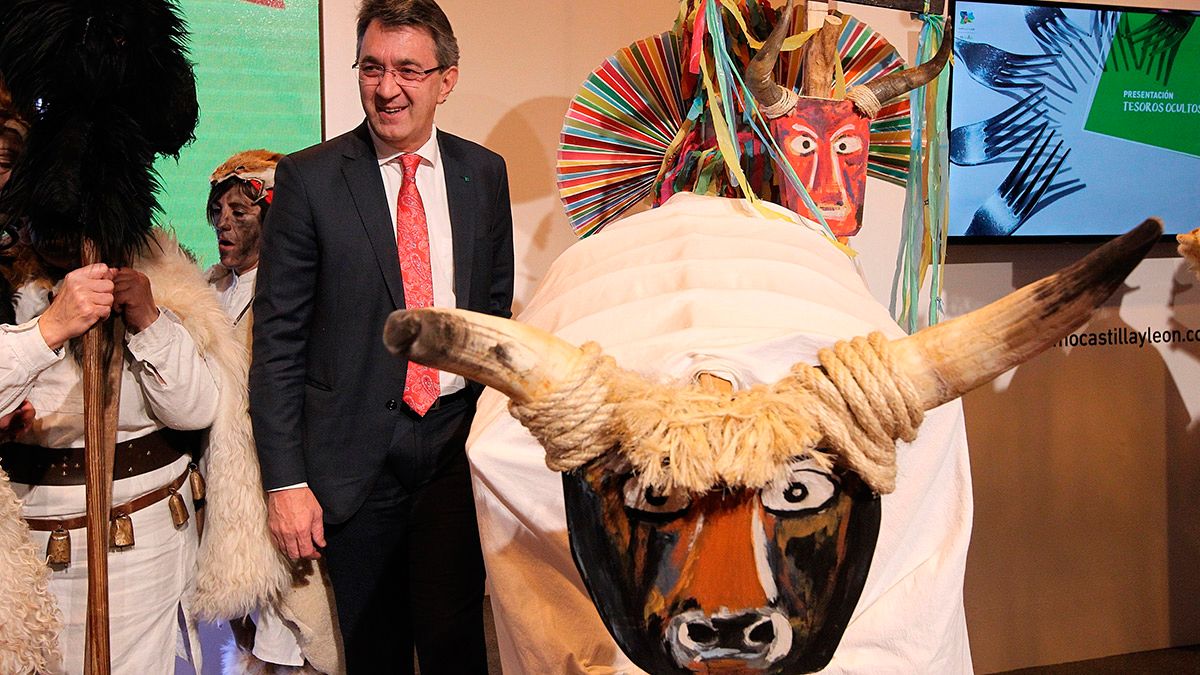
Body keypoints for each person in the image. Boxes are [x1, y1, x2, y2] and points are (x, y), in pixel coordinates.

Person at [249, 0, 514, 671]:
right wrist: (285, 483)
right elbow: (277, 343)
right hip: (352, 458)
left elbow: (493, 319)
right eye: (372, 67)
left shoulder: (483, 174)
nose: (387, 87)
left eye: (408, 70)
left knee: (459, 645)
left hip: (454, 447)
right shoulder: (308, 181)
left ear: (445, 80)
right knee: (374, 649)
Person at [205, 149, 343, 674]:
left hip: (278, 475)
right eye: (219, 211)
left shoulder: (294, 291)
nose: (225, 224)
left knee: (293, 623)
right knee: (245, 617)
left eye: (240, 213)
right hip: (225, 482)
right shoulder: (209, 290)